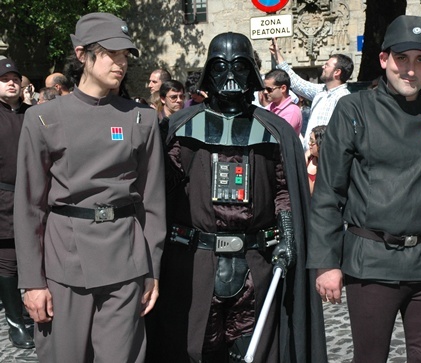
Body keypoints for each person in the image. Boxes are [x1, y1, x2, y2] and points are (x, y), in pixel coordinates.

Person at [148, 31, 327, 363]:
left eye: (240, 67)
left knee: (253, 351)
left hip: (254, 264)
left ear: (253, 72)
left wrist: (288, 237)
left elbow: (284, 190)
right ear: (208, 73)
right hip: (194, 265)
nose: (230, 77)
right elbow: (163, 192)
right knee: (193, 349)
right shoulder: (180, 128)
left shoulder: (275, 131)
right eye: (220, 67)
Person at [308, 15, 421, 362]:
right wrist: (326, 263)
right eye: (402, 59)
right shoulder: (354, 109)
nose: (410, 70)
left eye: (420, 60)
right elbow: (328, 193)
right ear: (384, 60)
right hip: (371, 264)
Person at [13, 12, 166, 363]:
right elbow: (29, 207)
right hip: (64, 263)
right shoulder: (43, 119)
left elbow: (152, 201)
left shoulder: (141, 119)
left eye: (126, 55)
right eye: (112, 53)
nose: (121, 63)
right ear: (82, 54)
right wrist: (32, 282)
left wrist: (151, 269)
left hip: (126, 263)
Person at [0, 57, 35, 349]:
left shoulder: (34, 114)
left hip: (36, 199)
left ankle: (34, 311)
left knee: (36, 258)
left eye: (15, 77)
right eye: (4, 78)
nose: (12, 82)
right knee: (8, 263)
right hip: (3, 201)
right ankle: (15, 321)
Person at [269, 37, 353, 150]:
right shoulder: (321, 91)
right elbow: (297, 83)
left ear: (337, 72)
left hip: (325, 157)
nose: (323, 66)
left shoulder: (344, 98)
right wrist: (277, 55)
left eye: (327, 65)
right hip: (310, 155)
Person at [263, 69, 302, 136]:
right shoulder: (270, 107)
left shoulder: (292, 112)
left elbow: (280, 136)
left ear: (283, 88)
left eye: (269, 89)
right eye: (264, 88)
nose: (265, 92)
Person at [305, 125, 326, 195]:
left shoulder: (326, 167)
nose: (309, 143)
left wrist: (301, 168)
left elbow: (312, 191)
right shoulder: (309, 156)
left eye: (312, 141)